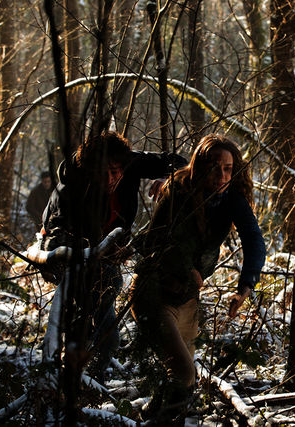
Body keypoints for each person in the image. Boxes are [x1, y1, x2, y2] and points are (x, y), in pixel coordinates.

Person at [131, 134, 266, 423]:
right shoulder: (177, 191)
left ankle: (148, 416)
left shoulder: (231, 199)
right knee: (184, 373)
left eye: (228, 168)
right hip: (154, 293)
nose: (221, 175)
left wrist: (244, 288)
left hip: (187, 300)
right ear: (200, 166)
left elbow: (254, 239)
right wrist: (186, 268)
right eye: (214, 167)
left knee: (178, 382)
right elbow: (159, 242)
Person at [40, 131, 186, 380]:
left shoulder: (129, 161)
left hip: (107, 259)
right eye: (102, 171)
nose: (109, 178)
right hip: (80, 262)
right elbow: (55, 242)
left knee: (105, 336)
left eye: (115, 171)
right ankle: (76, 385)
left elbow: (180, 162)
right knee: (100, 334)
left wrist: (168, 180)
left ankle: (84, 382)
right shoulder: (71, 189)